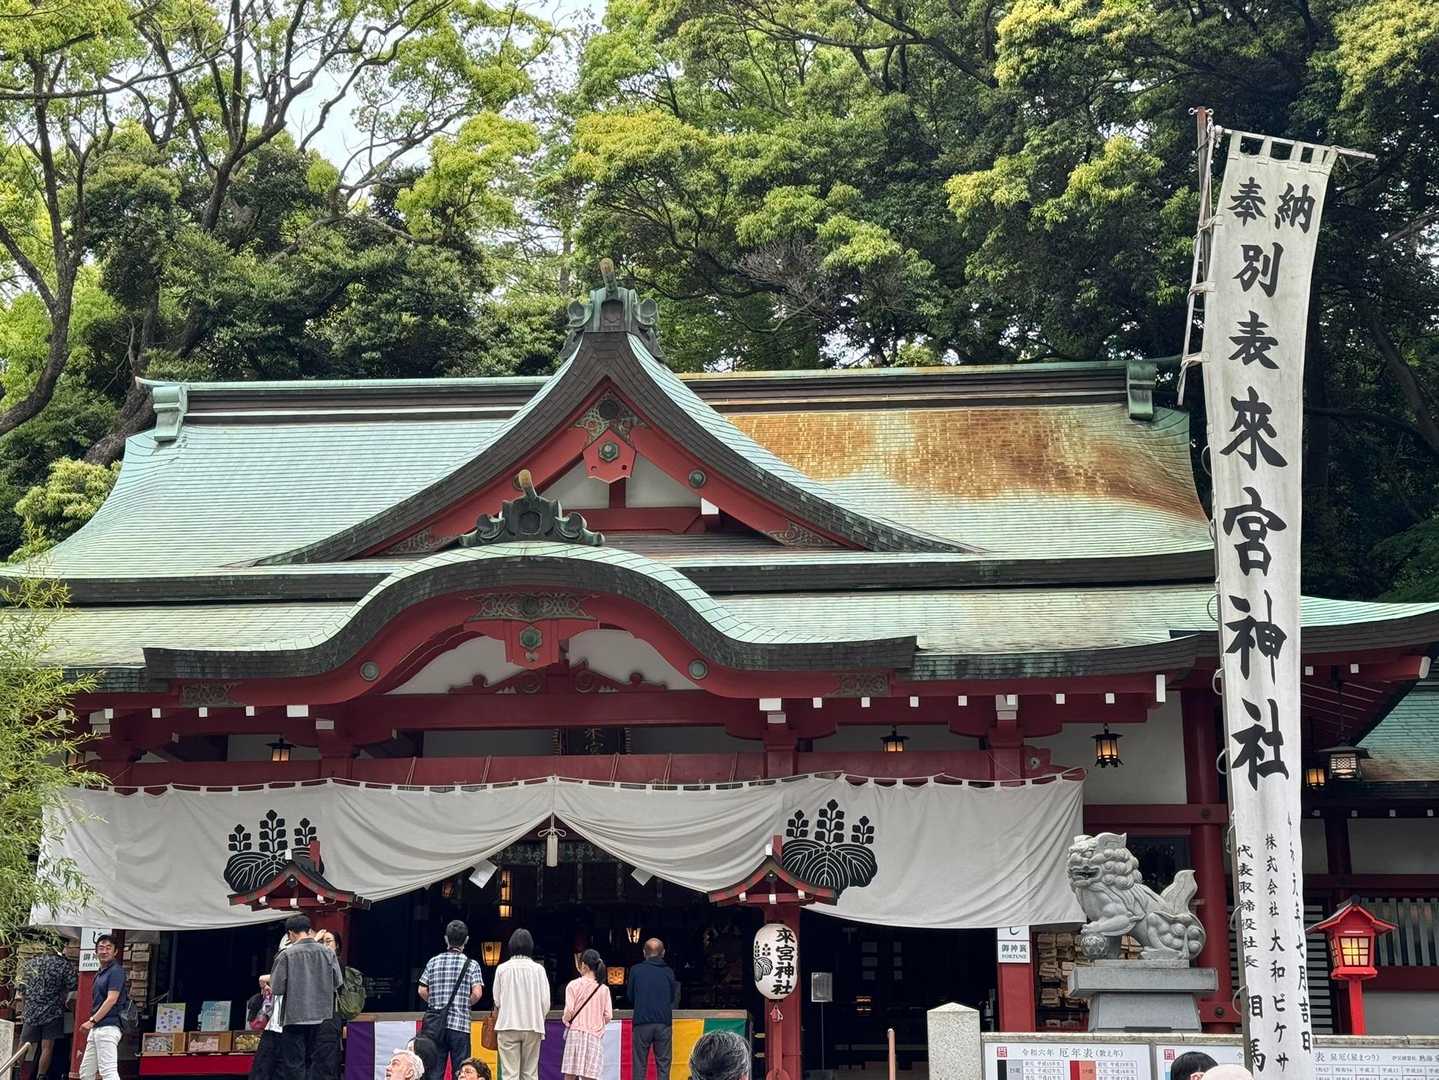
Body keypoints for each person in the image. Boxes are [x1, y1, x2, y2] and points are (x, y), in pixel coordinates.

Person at [270, 915, 343, 1080]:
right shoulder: (328, 953)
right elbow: (337, 982)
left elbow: (277, 988)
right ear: (309, 930)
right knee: (316, 1063)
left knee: (294, 1064)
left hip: (294, 1017)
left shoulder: (286, 955)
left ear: (290, 933)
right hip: (322, 1017)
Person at [417, 920, 484, 1080]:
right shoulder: (472, 964)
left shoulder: (433, 961)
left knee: (434, 1071)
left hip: (435, 1026)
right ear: (466, 940)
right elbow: (477, 993)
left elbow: (421, 990)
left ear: (446, 939)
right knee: (461, 1072)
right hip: (460, 1025)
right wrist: (464, 1004)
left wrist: (435, 1002)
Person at [492, 928, 551, 1080]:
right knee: (530, 1073)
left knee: (509, 1074)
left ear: (511, 946)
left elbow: (497, 1000)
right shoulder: (539, 970)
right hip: (533, 1025)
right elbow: (545, 1002)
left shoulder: (502, 969)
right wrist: (539, 1017)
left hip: (507, 1025)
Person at [17, 938, 78, 1080]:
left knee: (24, 1043)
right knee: (47, 1047)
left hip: (31, 1010)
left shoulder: (30, 963)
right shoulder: (63, 964)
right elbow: (74, 986)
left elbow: (22, 990)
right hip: (53, 1012)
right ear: (61, 947)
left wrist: (26, 1009)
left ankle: (16, 1071)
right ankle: (41, 1076)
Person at [628, 938, 679, 1080]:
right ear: (663, 953)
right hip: (663, 1023)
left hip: (641, 1023)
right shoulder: (669, 972)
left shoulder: (635, 970)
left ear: (644, 952)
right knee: (663, 1065)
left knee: (639, 1065)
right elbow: (672, 997)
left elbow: (630, 996)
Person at [78, 935, 125, 1080]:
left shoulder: (116, 971)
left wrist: (92, 1021)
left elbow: (111, 999)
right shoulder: (100, 972)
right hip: (97, 1028)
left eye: (108, 948)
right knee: (86, 1073)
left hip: (109, 1027)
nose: (104, 951)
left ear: (115, 952)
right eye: (101, 948)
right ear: (96, 952)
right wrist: (93, 1023)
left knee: (108, 1072)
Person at [561, 949, 613, 1080]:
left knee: (570, 1074)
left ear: (583, 965)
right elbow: (608, 1016)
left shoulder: (573, 985)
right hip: (594, 1035)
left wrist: (565, 1020)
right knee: (590, 1076)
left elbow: (569, 1011)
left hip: (575, 1033)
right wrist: (597, 1021)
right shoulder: (604, 989)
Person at [309, 931, 348, 1080]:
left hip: (329, 1019)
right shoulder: (318, 963)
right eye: (321, 942)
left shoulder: (337, 963)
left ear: (337, 945)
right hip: (316, 1019)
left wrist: (313, 943)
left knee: (327, 1061)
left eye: (328, 941)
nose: (324, 945)